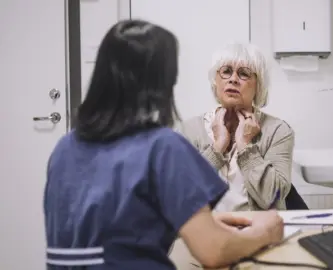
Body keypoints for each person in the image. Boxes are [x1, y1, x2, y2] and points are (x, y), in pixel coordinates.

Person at [43, 20, 284, 270]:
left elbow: (116, 231)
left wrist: (205, 220)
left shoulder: (65, 148)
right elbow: (214, 251)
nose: (233, 80)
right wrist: (268, 231)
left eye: (244, 73)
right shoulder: (163, 147)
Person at [176, 42, 295, 211]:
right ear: (215, 81)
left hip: (257, 232)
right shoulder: (188, 131)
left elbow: (272, 199)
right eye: (226, 71)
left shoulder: (278, 131)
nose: (233, 79)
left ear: (258, 86)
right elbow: (181, 197)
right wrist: (217, 148)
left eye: (244, 74)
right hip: (206, 233)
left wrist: (246, 146)